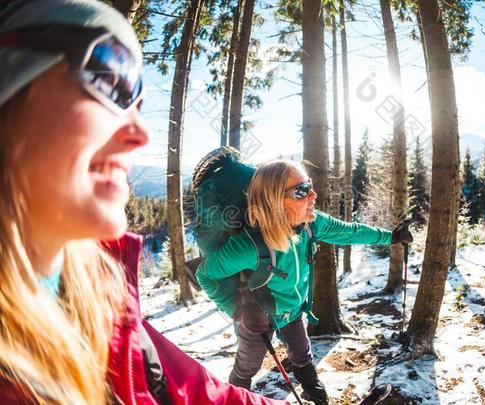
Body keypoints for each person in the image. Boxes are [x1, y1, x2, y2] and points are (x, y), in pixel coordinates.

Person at [0, 1, 288, 404]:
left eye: (137, 101)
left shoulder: (103, 301)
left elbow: (200, 393)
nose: (139, 134)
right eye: (109, 80)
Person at [198, 160, 413, 405]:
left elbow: (349, 231)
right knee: (248, 365)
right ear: (274, 202)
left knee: (302, 354)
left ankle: (317, 395)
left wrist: (392, 236)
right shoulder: (248, 247)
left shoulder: (312, 224)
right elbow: (205, 274)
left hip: (293, 312)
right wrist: (237, 310)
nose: (313, 194)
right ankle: (232, 399)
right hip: (257, 318)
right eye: (301, 191)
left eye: (308, 185)